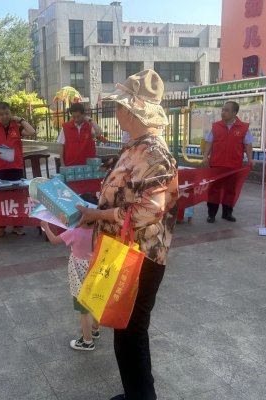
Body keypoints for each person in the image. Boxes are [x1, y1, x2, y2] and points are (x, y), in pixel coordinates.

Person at [76, 70, 179, 400]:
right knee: (126, 330)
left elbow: (151, 210)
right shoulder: (136, 147)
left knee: (132, 332)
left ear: (133, 111)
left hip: (141, 256)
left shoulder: (153, 152)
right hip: (125, 250)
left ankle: (141, 396)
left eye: (120, 106)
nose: (117, 111)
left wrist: (99, 215)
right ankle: (136, 394)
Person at [40, 193, 101, 351]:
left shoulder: (74, 232)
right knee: (96, 301)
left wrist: (45, 226)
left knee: (84, 309)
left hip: (79, 272)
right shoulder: (100, 230)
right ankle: (95, 329)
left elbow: (54, 240)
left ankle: (87, 341)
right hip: (96, 269)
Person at [0, 101, 36, 236]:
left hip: (16, 166)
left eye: (7, 113)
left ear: (10, 113)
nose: (4, 116)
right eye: (1, 114)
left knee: (17, 196)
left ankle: (18, 225)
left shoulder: (16, 126)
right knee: (0, 197)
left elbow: (32, 131)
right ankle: (1, 225)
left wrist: (20, 120)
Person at [202, 101, 254, 223]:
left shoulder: (243, 128)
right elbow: (209, 142)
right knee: (214, 190)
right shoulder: (216, 126)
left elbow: (248, 144)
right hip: (216, 164)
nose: (223, 112)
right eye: (223, 110)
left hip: (234, 165)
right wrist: (205, 156)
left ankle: (227, 213)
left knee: (230, 190)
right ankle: (211, 214)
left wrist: (250, 159)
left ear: (234, 113)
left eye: (226, 110)